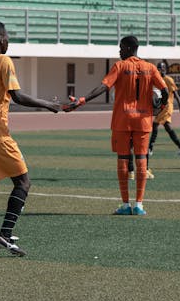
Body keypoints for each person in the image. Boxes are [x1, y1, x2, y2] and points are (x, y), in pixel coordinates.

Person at [0, 21, 61, 256]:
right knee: (23, 182)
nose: (8, 41)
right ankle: (5, 234)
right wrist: (49, 105)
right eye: (6, 37)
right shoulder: (3, 61)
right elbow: (16, 95)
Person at [65, 35, 168, 215]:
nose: (119, 51)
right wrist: (161, 106)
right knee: (142, 160)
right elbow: (164, 91)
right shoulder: (150, 68)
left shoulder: (120, 66)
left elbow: (104, 87)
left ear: (128, 48)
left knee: (123, 159)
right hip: (144, 120)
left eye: (121, 47)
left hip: (123, 119)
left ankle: (125, 204)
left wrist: (82, 100)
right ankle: (139, 205)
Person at [145, 60, 180, 177]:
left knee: (155, 125)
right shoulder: (156, 79)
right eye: (158, 67)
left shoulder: (168, 80)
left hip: (167, 106)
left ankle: (150, 148)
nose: (160, 69)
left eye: (162, 68)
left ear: (165, 69)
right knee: (167, 127)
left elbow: (176, 94)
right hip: (161, 107)